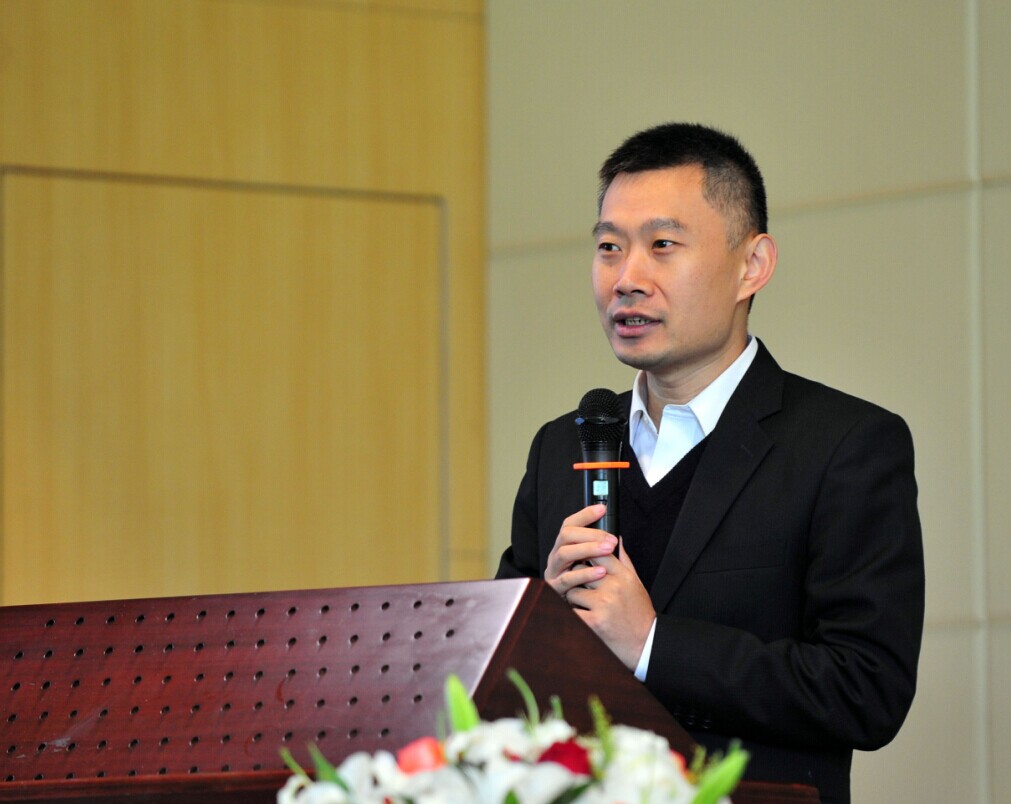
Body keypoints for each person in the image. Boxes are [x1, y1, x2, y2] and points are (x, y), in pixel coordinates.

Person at [496, 122, 925, 804]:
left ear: (751, 265)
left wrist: (653, 644)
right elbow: (499, 694)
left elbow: (865, 690)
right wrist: (541, 621)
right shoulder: (562, 448)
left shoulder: (843, 445)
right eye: (609, 248)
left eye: (662, 246)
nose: (626, 279)